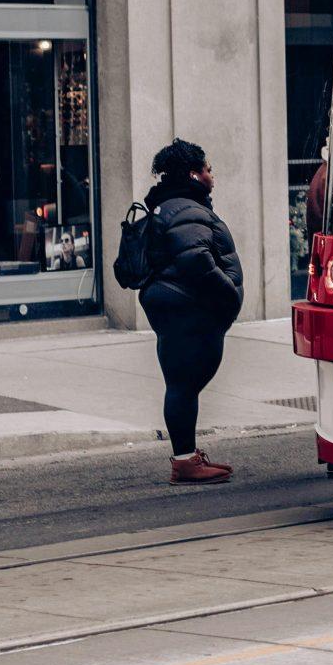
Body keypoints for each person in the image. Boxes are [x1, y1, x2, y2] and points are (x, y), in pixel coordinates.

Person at [138, 139, 243, 485]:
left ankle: (187, 457)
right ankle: (185, 464)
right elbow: (196, 259)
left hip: (175, 307)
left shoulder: (168, 206)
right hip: (188, 310)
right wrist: (230, 295)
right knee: (183, 385)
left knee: (181, 384)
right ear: (194, 174)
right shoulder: (187, 210)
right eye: (208, 168)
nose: (213, 174)